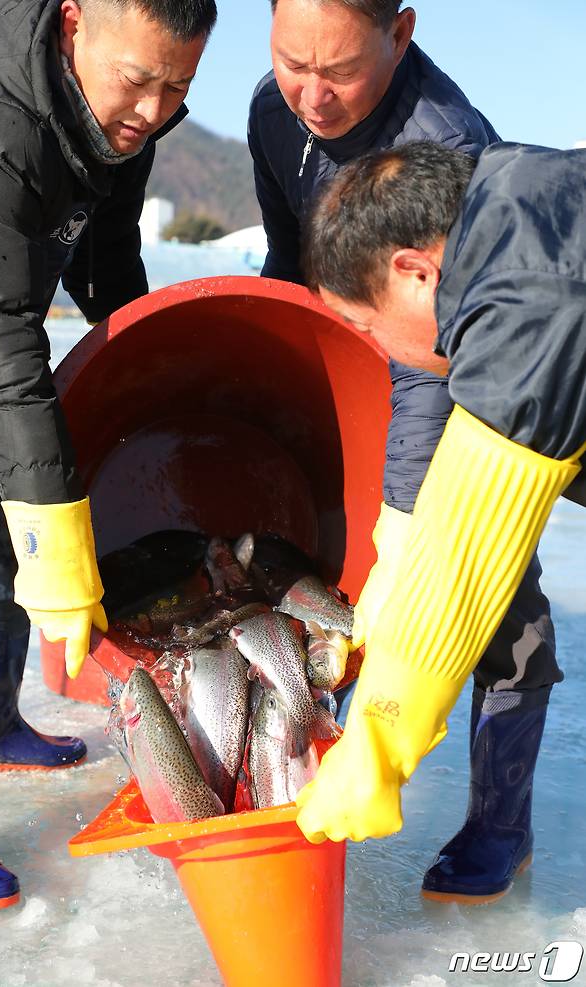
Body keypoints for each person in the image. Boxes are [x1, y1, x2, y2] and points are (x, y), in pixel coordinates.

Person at [248, 0, 561, 904]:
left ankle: (501, 822)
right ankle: (316, 744)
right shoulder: (278, 108)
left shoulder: (448, 148)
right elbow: (285, 256)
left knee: (490, 588)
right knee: (335, 564)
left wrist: (404, 517)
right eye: (290, 60)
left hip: (465, 376)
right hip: (361, 350)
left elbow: (445, 353)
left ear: (403, 33)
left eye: (339, 70)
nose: (311, 93)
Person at [0, 0, 216, 909]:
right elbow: (1, 337)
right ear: (72, 22)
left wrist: (157, 381)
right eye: (138, 80)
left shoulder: (121, 127)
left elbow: (107, 262)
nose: (154, 110)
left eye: (178, 88)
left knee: (11, 547)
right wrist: (60, 545)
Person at [297, 139, 586, 878]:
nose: (381, 349)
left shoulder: (529, 292)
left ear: (414, 270)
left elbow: (469, 551)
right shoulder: (526, 206)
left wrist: (378, 745)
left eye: (367, 327)